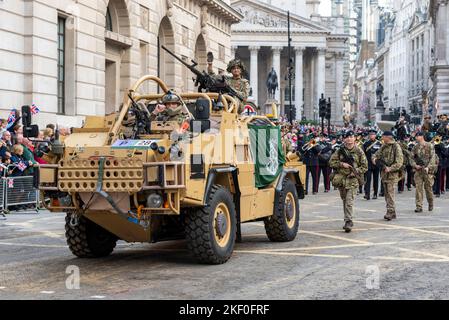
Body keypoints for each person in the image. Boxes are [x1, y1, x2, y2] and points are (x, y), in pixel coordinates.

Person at [329, 130, 368, 233]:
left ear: (354, 138)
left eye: (351, 137)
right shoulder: (339, 151)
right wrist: (342, 164)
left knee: (349, 201)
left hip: (353, 180)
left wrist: (355, 171)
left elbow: (365, 166)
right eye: (347, 137)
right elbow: (331, 162)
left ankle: (349, 221)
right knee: (345, 200)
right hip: (342, 180)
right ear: (344, 139)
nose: (349, 139)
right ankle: (347, 219)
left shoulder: (359, 151)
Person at [372, 131, 404, 221]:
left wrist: (390, 168)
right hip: (384, 174)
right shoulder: (384, 146)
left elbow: (399, 162)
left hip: (392, 174)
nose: (382, 137)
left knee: (390, 193)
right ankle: (392, 212)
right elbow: (376, 154)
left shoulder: (396, 146)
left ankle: (390, 212)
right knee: (386, 194)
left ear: (388, 137)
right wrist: (374, 159)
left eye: (383, 136)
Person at [410, 132, 437, 213]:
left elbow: (433, 158)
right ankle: (419, 206)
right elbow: (411, 158)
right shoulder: (415, 147)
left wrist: (428, 167)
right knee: (418, 189)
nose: (416, 138)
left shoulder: (429, 145)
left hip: (427, 171)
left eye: (417, 136)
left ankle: (430, 203)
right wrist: (415, 165)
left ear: (421, 136)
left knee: (428, 189)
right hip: (418, 171)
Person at [363, 129, 381, 200]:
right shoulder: (366, 144)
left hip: (376, 164)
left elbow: (381, 154)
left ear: (375, 135)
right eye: (370, 134)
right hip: (368, 164)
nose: (372, 136)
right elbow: (363, 154)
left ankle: (375, 194)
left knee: (376, 180)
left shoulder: (379, 144)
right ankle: (367, 194)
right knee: (368, 179)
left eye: (373, 134)